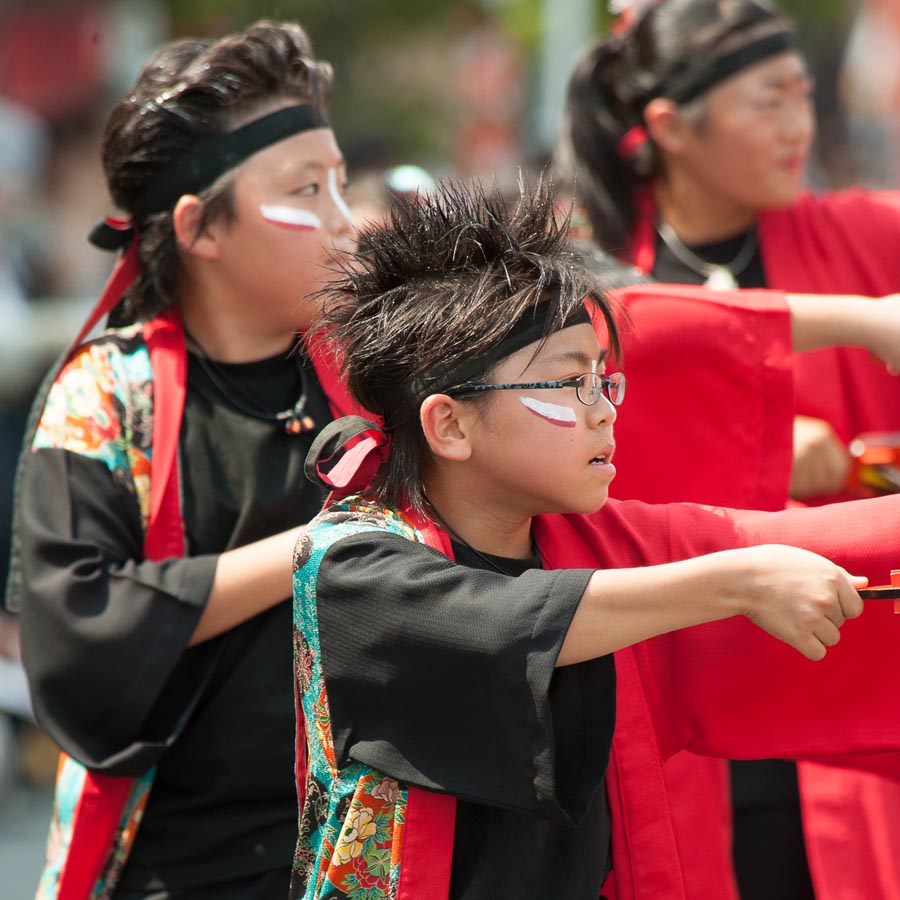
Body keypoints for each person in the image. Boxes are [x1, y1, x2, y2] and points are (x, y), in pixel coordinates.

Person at [289, 178, 900, 900]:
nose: (604, 411)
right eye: (564, 384)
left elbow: (806, 538)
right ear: (448, 424)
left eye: (603, 380)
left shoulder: (591, 540)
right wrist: (738, 579)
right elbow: (505, 621)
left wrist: (750, 563)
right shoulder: (350, 562)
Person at [6, 20, 357, 900]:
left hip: (364, 856)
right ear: (200, 227)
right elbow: (80, 633)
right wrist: (310, 551)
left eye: (342, 185)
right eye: (308, 190)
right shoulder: (106, 397)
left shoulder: (374, 374)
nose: (346, 223)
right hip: (174, 868)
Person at [558, 1, 900, 894]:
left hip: (843, 665)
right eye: (768, 102)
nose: (800, 126)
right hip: (677, 665)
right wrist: (752, 452)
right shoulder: (584, 268)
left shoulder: (863, 235)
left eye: (804, 96)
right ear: (670, 125)